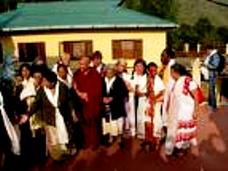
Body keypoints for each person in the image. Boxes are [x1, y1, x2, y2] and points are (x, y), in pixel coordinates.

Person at [30, 69, 72, 161]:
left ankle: (66, 152)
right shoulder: (42, 90)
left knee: (65, 134)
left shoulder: (62, 87)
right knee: (53, 139)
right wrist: (28, 114)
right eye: (43, 80)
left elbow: (69, 101)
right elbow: (36, 103)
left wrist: (72, 113)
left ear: (52, 82)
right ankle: (57, 157)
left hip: (62, 116)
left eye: (45, 81)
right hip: (49, 118)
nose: (43, 82)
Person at [162, 63, 198, 159]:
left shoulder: (188, 81)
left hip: (186, 112)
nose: (171, 75)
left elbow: (196, 97)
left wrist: (195, 111)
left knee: (183, 131)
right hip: (177, 111)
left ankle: (181, 150)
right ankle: (179, 149)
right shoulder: (177, 82)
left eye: (171, 72)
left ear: (175, 72)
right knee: (178, 131)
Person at [72, 56, 103, 150]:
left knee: (93, 123)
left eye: (83, 64)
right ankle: (87, 141)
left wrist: (87, 95)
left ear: (88, 64)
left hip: (92, 103)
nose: (81, 66)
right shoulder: (77, 73)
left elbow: (98, 89)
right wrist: (78, 93)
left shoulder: (95, 74)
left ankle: (95, 142)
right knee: (83, 123)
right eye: (80, 63)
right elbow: (74, 85)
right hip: (80, 102)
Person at [102, 64, 128, 147]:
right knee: (108, 122)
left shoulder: (119, 81)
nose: (109, 72)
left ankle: (120, 137)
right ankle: (110, 137)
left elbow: (123, 93)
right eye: (107, 71)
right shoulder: (102, 80)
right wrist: (102, 98)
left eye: (111, 71)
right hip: (106, 106)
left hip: (117, 106)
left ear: (114, 72)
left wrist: (113, 98)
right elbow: (99, 91)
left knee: (118, 124)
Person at [145, 62, 165, 149]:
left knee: (157, 122)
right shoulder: (146, 79)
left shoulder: (158, 80)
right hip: (148, 103)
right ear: (148, 71)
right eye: (151, 70)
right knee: (148, 122)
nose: (154, 72)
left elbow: (162, 93)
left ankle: (156, 141)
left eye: (155, 70)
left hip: (156, 103)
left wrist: (155, 99)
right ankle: (149, 140)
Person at [130, 59, 148, 140]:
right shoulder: (132, 76)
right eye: (136, 66)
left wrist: (143, 94)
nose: (138, 68)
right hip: (133, 99)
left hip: (143, 99)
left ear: (144, 68)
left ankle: (143, 133)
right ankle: (135, 131)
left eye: (141, 66)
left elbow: (150, 90)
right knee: (133, 115)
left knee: (142, 116)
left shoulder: (147, 77)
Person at [159, 48, 176, 129]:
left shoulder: (172, 67)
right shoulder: (166, 66)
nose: (161, 58)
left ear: (168, 57)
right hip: (166, 93)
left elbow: (172, 83)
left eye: (163, 55)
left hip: (170, 94)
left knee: (168, 115)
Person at [203, 45, 221, 110]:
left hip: (213, 75)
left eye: (207, 50)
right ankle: (211, 104)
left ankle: (213, 106)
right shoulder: (211, 55)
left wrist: (206, 65)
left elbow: (215, 66)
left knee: (212, 90)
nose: (206, 52)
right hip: (211, 74)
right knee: (210, 89)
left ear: (209, 49)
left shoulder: (215, 55)